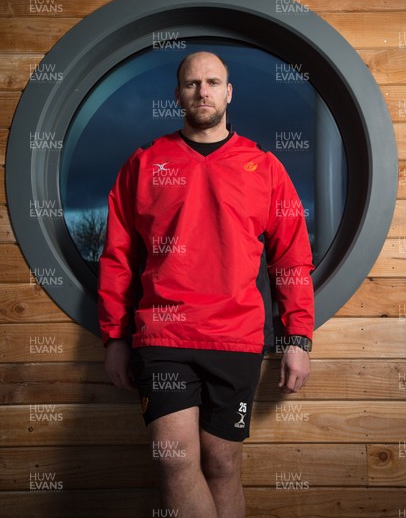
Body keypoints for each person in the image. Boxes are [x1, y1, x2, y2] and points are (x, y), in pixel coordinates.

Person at [98, 51, 314, 518]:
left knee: (221, 464)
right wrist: (114, 336)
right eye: (192, 83)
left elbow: (292, 257)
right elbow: (117, 258)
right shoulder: (146, 164)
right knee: (174, 461)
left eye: (213, 82)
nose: (202, 91)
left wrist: (297, 338)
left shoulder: (265, 167)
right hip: (164, 337)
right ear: (177, 94)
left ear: (228, 92)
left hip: (235, 338)